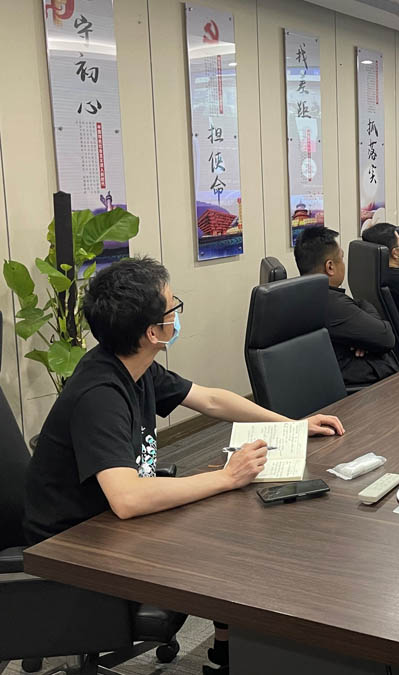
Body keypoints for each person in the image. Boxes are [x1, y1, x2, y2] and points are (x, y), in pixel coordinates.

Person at [21, 257, 345, 675]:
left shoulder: (133, 366)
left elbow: (210, 400)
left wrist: (292, 425)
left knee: (237, 527)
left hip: (107, 521)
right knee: (235, 543)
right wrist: (226, 477)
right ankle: (238, 653)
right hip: (75, 544)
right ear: (152, 332)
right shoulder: (100, 394)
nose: (178, 313)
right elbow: (127, 498)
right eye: (173, 306)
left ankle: (227, 651)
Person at [294, 226, 399, 386]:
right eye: (341, 258)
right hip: (360, 388)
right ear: (330, 267)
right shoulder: (330, 302)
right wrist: (368, 334)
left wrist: (364, 338)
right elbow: (386, 337)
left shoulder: (304, 294)